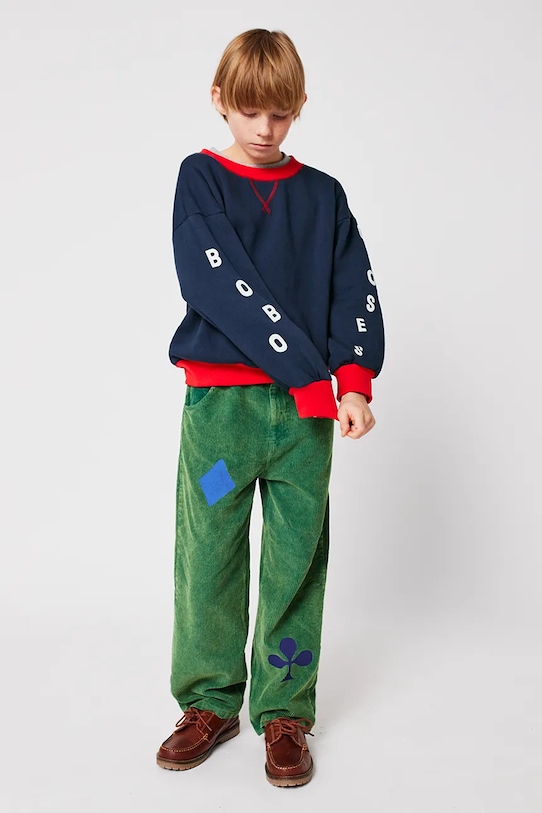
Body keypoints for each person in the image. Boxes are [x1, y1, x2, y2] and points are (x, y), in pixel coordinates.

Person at [156, 28, 385, 787]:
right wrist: (308, 373)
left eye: (280, 113)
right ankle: (209, 701)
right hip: (223, 417)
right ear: (219, 100)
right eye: (250, 110)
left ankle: (284, 710)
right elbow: (217, 283)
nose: (264, 128)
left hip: (304, 425)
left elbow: (354, 288)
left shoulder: (324, 195)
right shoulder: (201, 179)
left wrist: (354, 379)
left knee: (296, 558)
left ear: (300, 107)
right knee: (210, 550)